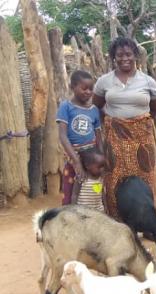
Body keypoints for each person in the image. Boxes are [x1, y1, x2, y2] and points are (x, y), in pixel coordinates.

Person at [93, 37, 156, 220]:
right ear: (114, 57)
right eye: (120, 55)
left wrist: (138, 126)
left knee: (146, 179)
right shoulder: (104, 82)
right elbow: (97, 105)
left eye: (129, 54)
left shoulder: (148, 82)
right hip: (115, 139)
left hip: (143, 139)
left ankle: (148, 221)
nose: (125, 58)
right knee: (114, 178)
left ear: (135, 56)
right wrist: (112, 123)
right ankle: (118, 222)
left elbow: (155, 109)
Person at [57, 70, 102, 205]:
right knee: (71, 193)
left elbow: (99, 138)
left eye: (91, 89)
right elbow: (63, 135)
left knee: (93, 190)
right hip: (74, 155)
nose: (88, 92)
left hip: (92, 157)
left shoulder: (93, 110)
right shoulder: (66, 107)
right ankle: (69, 220)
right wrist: (76, 160)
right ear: (72, 87)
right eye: (84, 88)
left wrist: (101, 158)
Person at [72, 147, 105, 212]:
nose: (102, 169)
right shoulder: (81, 178)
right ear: (88, 166)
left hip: (98, 211)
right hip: (83, 211)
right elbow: (75, 194)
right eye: (99, 167)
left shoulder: (101, 178)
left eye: (103, 166)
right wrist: (73, 209)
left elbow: (102, 194)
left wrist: (105, 207)